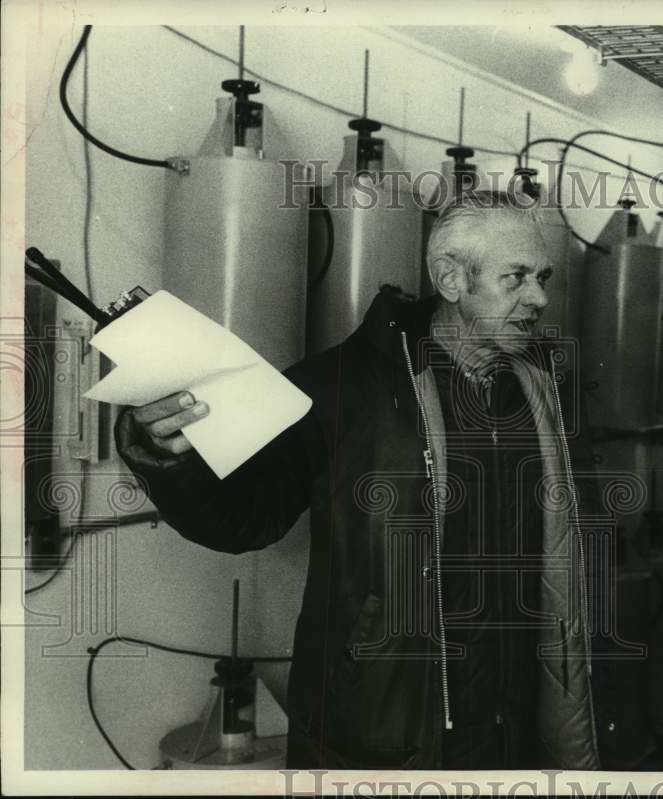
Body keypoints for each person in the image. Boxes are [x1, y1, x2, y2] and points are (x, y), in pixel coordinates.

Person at [115, 191, 601, 770]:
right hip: (383, 723)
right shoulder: (340, 387)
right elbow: (242, 517)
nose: (540, 297)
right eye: (516, 277)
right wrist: (164, 453)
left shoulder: (545, 392)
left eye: (542, 276)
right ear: (450, 277)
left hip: (513, 720)